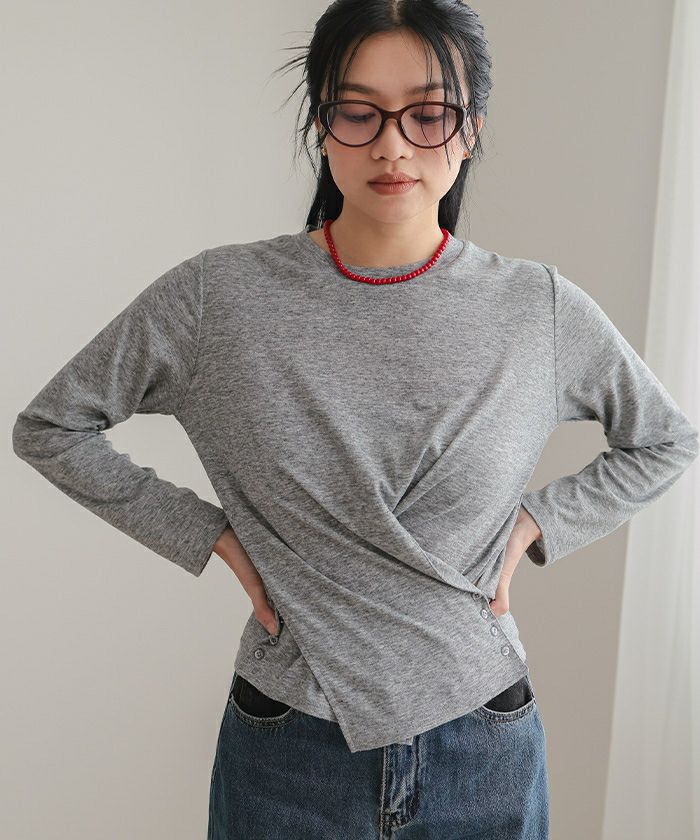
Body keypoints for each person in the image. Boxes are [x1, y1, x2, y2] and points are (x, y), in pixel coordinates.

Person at [12, 2, 698, 838]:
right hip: (286, 742)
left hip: (483, 738)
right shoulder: (219, 298)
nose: (393, 145)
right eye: (358, 111)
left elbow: (665, 439)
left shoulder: (536, 308)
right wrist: (209, 534)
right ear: (321, 123)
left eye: (428, 114)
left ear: (471, 131)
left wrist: (534, 524)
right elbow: (52, 426)